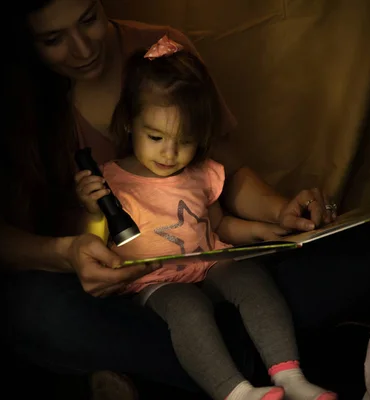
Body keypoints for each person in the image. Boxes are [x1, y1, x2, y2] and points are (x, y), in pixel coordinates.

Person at [0, 0, 370, 396]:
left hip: (210, 260)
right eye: (53, 39)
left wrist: (280, 214)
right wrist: (69, 253)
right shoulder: (13, 99)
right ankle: (248, 362)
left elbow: (223, 175)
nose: (84, 48)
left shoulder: (164, 50)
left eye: (89, 19)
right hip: (126, 294)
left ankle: (196, 370)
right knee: (26, 309)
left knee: (365, 249)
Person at [73, 37, 338, 400]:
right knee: (187, 306)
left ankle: (290, 377)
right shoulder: (110, 180)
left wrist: (270, 231)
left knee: (250, 277)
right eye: (156, 137)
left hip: (207, 263)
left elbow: (218, 226)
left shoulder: (201, 172)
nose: (169, 153)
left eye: (185, 141)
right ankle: (235, 392)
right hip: (154, 281)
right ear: (130, 123)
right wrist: (91, 212)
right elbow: (90, 245)